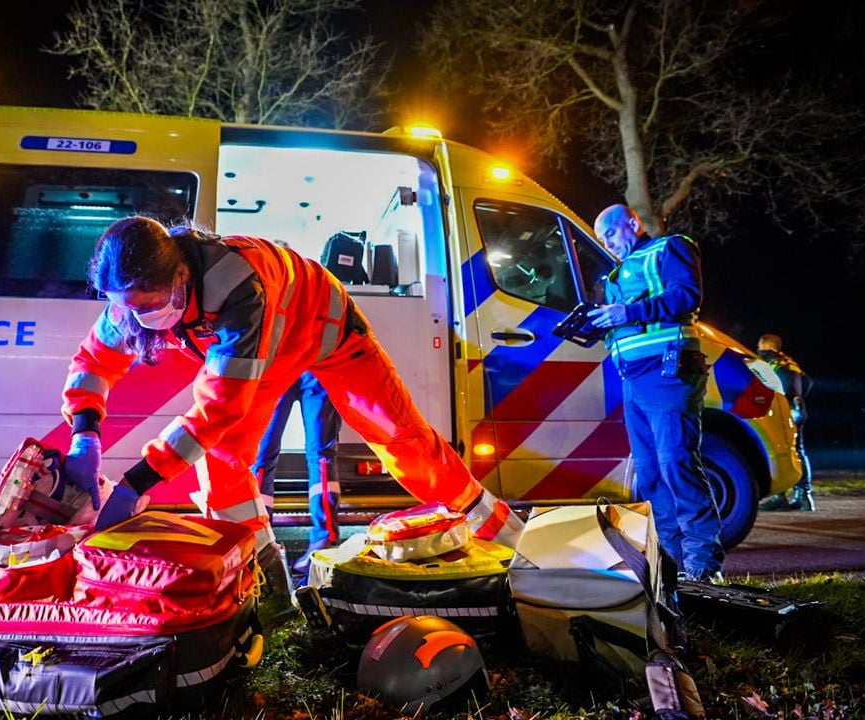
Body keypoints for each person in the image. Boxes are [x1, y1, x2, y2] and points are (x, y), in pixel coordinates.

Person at [59, 217, 525, 622]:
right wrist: (85, 435)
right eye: (128, 308)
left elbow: (219, 408)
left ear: (180, 273)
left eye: (149, 305)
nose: (139, 319)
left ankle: (512, 543)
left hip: (328, 334)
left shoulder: (237, 283)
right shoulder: (132, 298)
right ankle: (267, 595)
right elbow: (93, 362)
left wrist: (136, 483)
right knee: (223, 464)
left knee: (404, 443)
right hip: (272, 346)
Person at [588, 204, 723, 583]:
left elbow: (686, 297)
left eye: (610, 234)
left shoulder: (670, 247)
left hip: (669, 370)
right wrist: (598, 325)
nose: (608, 244)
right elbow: (627, 320)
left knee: (676, 462)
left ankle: (703, 563)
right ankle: (673, 564)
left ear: (632, 221)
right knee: (649, 474)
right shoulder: (615, 274)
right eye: (602, 240)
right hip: (635, 379)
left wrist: (626, 315)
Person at [252, 371, 343, 575]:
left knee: (262, 458)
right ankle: (324, 539)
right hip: (318, 365)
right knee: (321, 456)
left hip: (278, 363)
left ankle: (258, 542)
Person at [757, 334, 815, 511]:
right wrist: (798, 399)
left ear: (766, 346)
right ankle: (804, 496)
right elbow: (809, 382)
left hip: (782, 411)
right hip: (798, 410)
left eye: (759, 346)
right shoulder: (790, 362)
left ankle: (779, 496)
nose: (757, 349)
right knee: (798, 450)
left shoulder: (769, 362)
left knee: (777, 452)